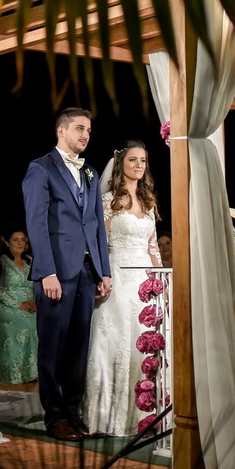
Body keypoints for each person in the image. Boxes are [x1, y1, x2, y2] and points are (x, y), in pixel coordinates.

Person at [23, 107, 112, 441]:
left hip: (87, 273)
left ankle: (73, 415)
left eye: (88, 129)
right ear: (62, 131)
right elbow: (36, 222)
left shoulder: (89, 171)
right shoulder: (40, 169)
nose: (85, 135)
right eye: (79, 128)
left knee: (78, 347)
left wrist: (104, 271)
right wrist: (46, 271)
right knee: (53, 347)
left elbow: (96, 227)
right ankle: (55, 418)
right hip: (56, 272)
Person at [81, 140, 164, 436]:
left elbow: (153, 247)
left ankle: (143, 414)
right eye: (133, 160)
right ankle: (105, 416)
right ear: (120, 165)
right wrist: (102, 276)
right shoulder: (107, 202)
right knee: (113, 343)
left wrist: (160, 280)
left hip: (145, 279)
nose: (139, 165)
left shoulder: (149, 201)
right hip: (116, 275)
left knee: (145, 342)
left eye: (143, 160)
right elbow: (97, 244)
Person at [0, 229, 39, 385]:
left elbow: (35, 286)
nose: (20, 243)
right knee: (19, 320)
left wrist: (33, 303)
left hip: (29, 304)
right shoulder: (2, 261)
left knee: (36, 320)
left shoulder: (30, 261)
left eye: (23, 240)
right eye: (15, 240)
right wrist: (18, 305)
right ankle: (12, 374)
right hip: (4, 304)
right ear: (7, 243)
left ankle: (30, 373)